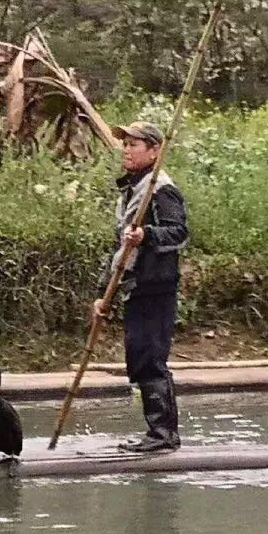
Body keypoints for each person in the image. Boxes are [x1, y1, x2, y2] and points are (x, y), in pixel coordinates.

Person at [94, 120, 189, 453]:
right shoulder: (133, 190)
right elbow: (119, 247)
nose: (126, 150)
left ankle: (164, 434)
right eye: (125, 144)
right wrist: (103, 294)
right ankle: (158, 431)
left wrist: (147, 235)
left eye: (134, 144)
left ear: (154, 151)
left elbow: (179, 233)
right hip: (136, 285)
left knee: (150, 358)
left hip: (156, 286)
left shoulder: (161, 189)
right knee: (138, 357)